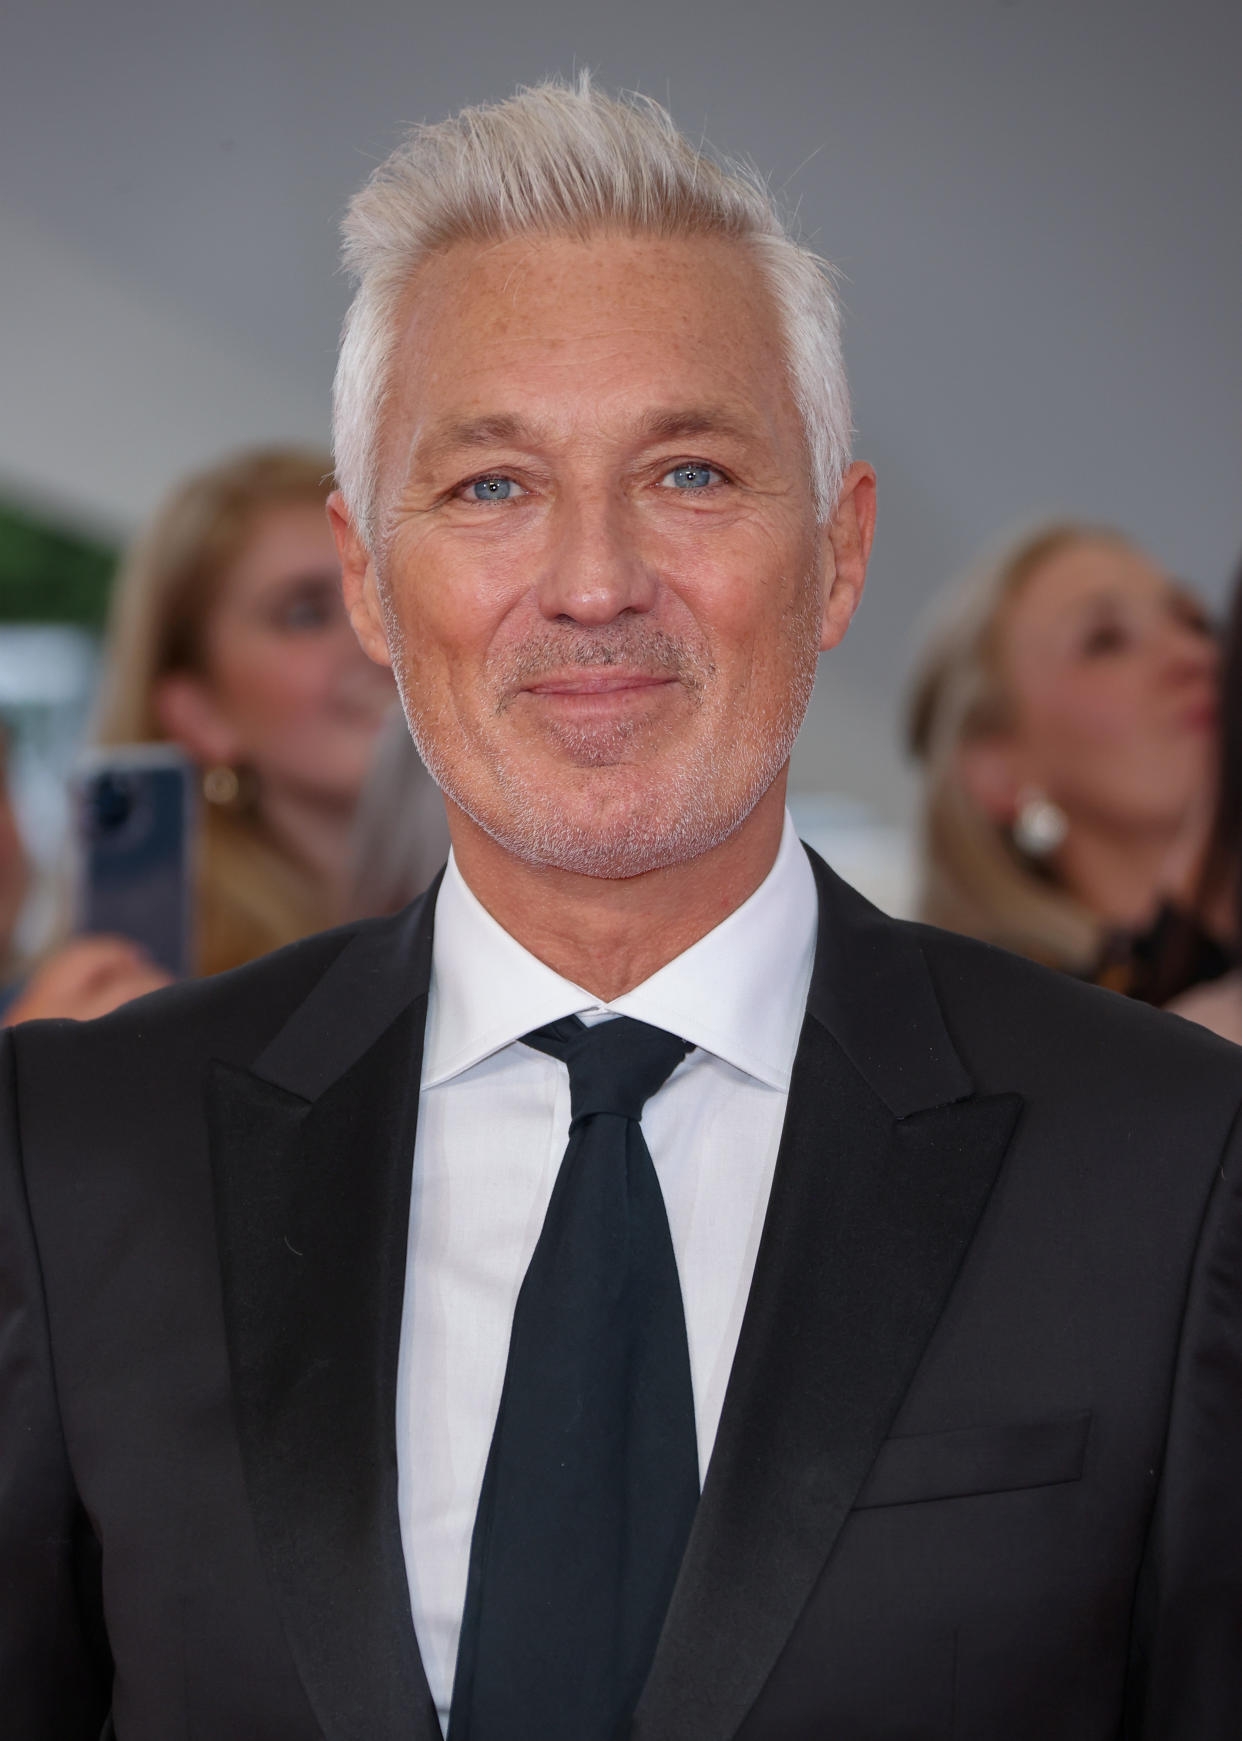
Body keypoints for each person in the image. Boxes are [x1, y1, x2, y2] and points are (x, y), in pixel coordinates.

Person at [2, 77, 1241, 1741]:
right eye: (492, 486)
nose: (592, 581)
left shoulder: (1168, 1158)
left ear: (839, 551)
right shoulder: (79, 1156)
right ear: (371, 574)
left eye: (691, 471)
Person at [906, 522, 1222, 995]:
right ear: (998, 771)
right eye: (1106, 641)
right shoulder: (1020, 1042)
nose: (1194, 655)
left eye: (1196, 623)